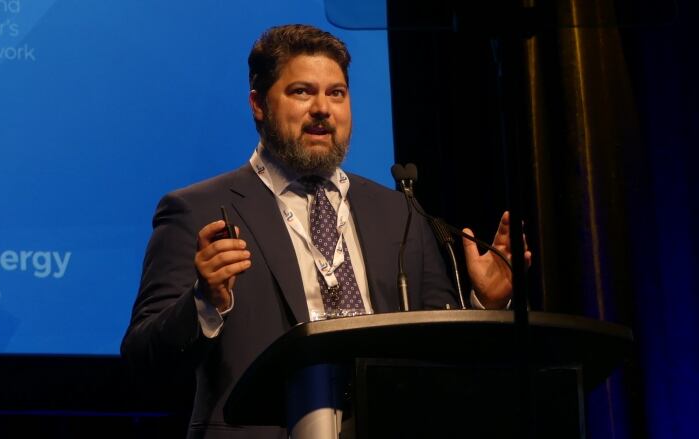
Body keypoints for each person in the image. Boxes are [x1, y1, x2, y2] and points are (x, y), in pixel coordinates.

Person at [121, 24, 530, 439]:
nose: (322, 108)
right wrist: (204, 303)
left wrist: (484, 305)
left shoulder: (398, 211)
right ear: (259, 104)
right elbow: (142, 358)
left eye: (336, 93)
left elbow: (438, 351)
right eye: (302, 91)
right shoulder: (197, 209)